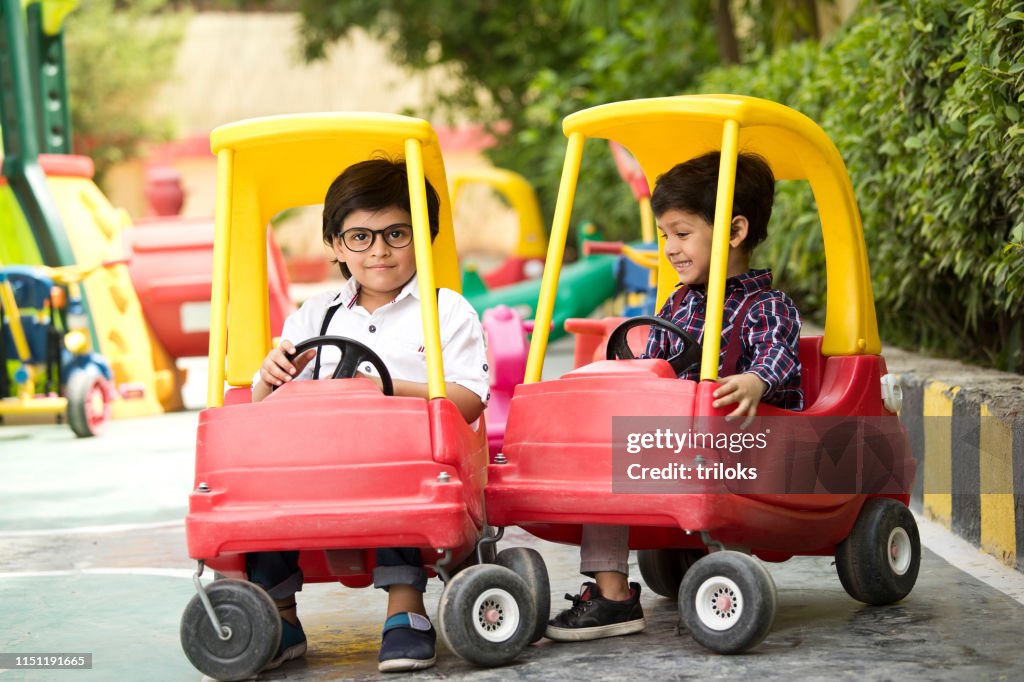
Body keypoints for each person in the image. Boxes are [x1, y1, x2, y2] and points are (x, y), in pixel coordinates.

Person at [546, 150, 803, 642]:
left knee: (709, 453)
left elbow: (780, 358)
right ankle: (612, 594)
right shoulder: (679, 302)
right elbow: (655, 364)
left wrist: (755, 381)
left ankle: (726, 576)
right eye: (665, 235)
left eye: (682, 234)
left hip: (745, 448)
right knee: (606, 466)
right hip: (675, 441)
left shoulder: (768, 306)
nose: (670, 248)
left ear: (733, 232)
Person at [249, 158, 490, 672]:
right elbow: (263, 412)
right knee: (259, 488)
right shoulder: (316, 315)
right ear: (336, 244)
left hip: (409, 463)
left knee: (395, 472)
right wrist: (269, 377)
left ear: (423, 237)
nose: (379, 250)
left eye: (396, 234)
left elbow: (469, 397)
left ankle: (405, 607)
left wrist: (385, 390)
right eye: (360, 236)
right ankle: (280, 613)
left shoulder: (446, 310)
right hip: (318, 465)